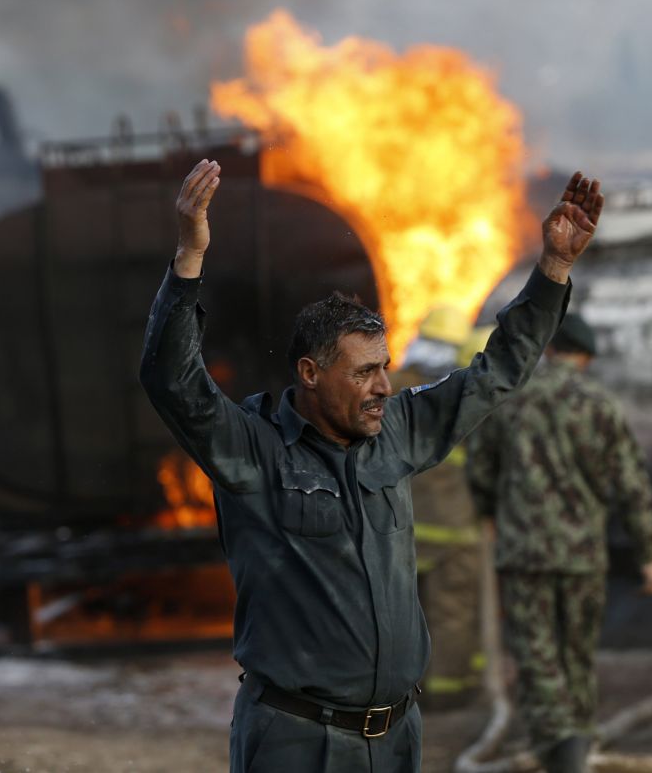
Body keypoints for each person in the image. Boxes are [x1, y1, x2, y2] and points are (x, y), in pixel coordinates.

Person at [140, 158, 604, 772]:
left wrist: (553, 271)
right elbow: (172, 381)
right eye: (364, 372)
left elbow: (497, 372)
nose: (384, 386)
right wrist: (189, 256)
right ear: (310, 373)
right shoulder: (254, 452)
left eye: (384, 367)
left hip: (395, 739)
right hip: (298, 741)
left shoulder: (398, 433)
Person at [466, 313, 652, 773]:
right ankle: (577, 741)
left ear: (550, 350)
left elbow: (480, 471)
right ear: (586, 357)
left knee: (537, 657)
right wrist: (648, 556)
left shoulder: (511, 400)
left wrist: (492, 514)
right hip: (583, 555)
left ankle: (560, 744)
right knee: (577, 654)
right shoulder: (601, 405)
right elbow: (632, 486)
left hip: (524, 553)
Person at [390, 307, 483, 709]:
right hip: (453, 527)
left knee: (397, 612)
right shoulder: (458, 398)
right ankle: (447, 694)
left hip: (395, 526)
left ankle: (397, 692)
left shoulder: (387, 388)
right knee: (451, 611)